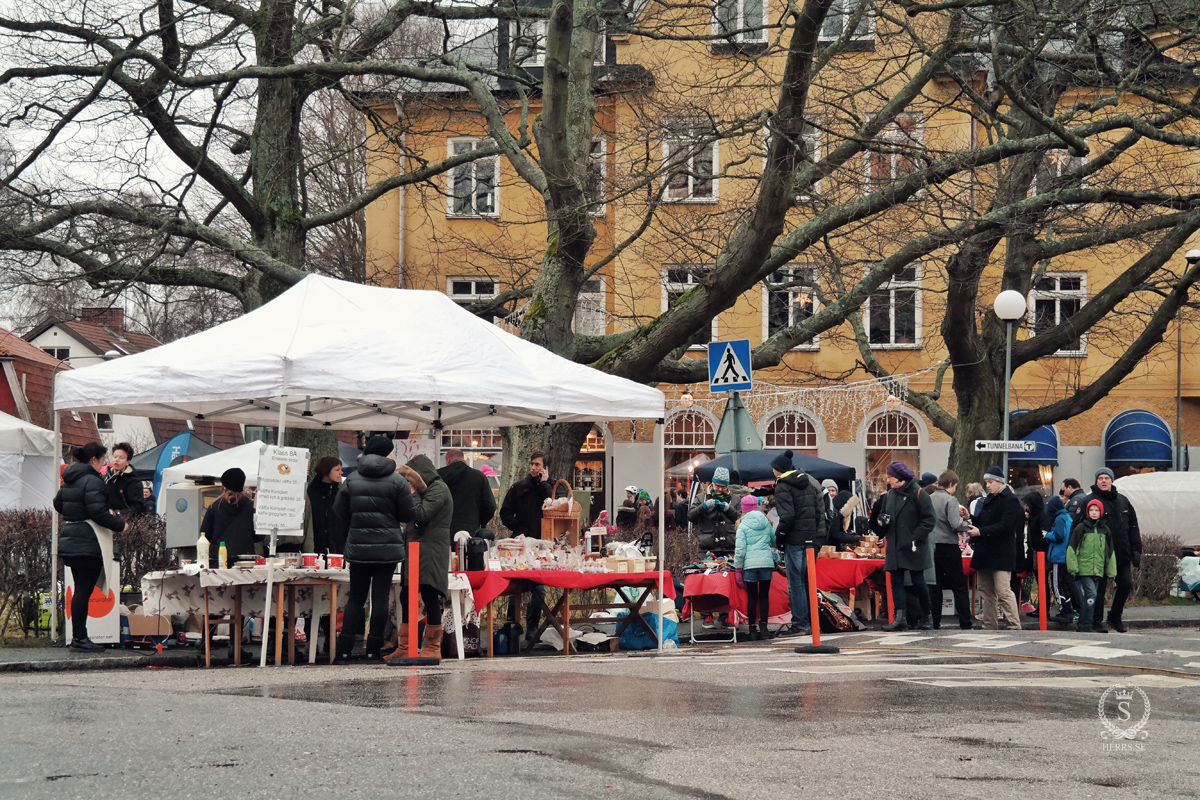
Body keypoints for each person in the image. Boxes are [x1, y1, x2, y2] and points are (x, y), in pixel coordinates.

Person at [331, 436, 417, 662]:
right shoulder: (398, 481)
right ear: (387, 454)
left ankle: (344, 650)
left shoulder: (351, 479)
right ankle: (373, 649)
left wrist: (356, 524)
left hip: (358, 547)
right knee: (380, 599)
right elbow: (408, 514)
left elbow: (339, 510)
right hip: (387, 548)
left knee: (356, 599)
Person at [54, 442, 127, 652]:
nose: (104, 464)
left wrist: (76, 511)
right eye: (103, 460)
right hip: (88, 540)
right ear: (94, 460)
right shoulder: (92, 481)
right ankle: (79, 639)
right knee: (83, 591)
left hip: (70, 537)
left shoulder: (69, 480)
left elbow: (58, 504)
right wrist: (121, 525)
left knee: (80, 589)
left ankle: (79, 637)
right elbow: (98, 513)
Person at [397, 454, 454, 659]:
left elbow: (421, 515)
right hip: (418, 551)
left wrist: (413, 494)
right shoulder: (430, 490)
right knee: (406, 595)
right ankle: (405, 647)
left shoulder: (439, 489)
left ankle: (433, 647)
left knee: (430, 595)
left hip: (429, 551)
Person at [870, 461, 935, 632]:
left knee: (918, 581)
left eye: (890, 476)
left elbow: (929, 520)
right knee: (895, 582)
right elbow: (884, 516)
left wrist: (915, 537)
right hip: (895, 544)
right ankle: (900, 618)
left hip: (914, 545)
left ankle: (927, 616)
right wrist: (882, 523)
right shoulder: (890, 495)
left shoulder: (919, 494)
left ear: (899, 478)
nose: (888, 479)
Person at [1075, 468, 1142, 633]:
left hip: (1121, 553)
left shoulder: (1123, 501)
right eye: (1100, 478)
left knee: (1126, 584)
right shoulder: (1088, 501)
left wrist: (1136, 549)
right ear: (1096, 481)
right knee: (1099, 590)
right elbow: (1076, 528)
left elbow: (1133, 526)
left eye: (1107, 478)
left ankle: (1114, 617)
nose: (1104, 481)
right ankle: (1096, 622)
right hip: (1098, 556)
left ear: (1112, 481)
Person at [499, 451, 554, 644]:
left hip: (542, 544)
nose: (533, 468)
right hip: (521, 543)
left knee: (539, 588)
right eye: (532, 464)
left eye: (538, 465)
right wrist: (518, 528)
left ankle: (532, 629)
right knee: (516, 586)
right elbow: (504, 512)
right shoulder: (519, 487)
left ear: (545, 468)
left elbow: (554, 508)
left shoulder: (553, 488)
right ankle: (511, 626)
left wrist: (545, 485)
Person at [771, 450, 827, 637]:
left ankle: (800, 624)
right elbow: (819, 513)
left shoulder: (783, 486)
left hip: (794, 540)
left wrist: (779, 538)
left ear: (778, 470)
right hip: (810, 539)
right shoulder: (809, 483)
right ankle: (813, 622)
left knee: (795, 584)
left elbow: (786, 517)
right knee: (807, 581)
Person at [968, 467, 1023, 630]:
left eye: (990, 482)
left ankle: (1014, 624)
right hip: (986, 552)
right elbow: (984, 521)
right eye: (986, 483)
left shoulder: (1011, 500)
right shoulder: (990, 498)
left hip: (1001, 553)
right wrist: (969, 518)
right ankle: (989, 623)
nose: (988, 486)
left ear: (1000, 482)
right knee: (985, 591)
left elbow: (1005, 526)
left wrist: (980, 531)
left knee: (1003, 590)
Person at [689, 467, 739, 628]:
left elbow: (740, 518)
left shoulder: (735, 499)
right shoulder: (701, 497)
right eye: (717, 486)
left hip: (728, 545)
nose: (719, 489)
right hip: (707, 545)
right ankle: (706, 615)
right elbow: (690, 516)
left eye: (723, 487)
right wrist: (704, 506)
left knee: (726, 583)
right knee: (706, 581)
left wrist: (728, 508)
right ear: (712, 483)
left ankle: (725, 615)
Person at [928, 470, 973, 630]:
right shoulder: (951, 500)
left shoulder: (929, 498)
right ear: (951, 484)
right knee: (959, 587)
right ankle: (965, 623)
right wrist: (967, 522)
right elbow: (955, 524)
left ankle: (934, 622)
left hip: (932, 546)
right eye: (955, 486)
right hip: (948, 546)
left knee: (935, 587)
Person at [1066, 499, 1116, 633]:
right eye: (1091, 510)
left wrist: (1111, 571)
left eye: (1097, 510)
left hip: (1098, 569)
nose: (1094, 513)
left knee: (1091, 597)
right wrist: (1073, 567)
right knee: (1091, 594)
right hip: (1084, 568)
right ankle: (1087, 623)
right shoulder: (1081, 527)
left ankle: (1082, 623)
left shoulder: (1105, 530)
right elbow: (1072, 548)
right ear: (1088, 512)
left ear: (1101, 512)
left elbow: (1109, 552)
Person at [733, 495, 775, 641]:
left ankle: (752, 629)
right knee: (764, 596)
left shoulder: (742, 525)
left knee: (752, 597)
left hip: (749, 566)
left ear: (743, 509)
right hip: (766, 563)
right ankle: (764, 628)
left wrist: (738, 569)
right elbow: (774, 541)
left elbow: (740, 550)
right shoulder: (766, 522)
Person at [199, 469, 258, 565]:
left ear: (224, 486)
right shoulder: (251, 507)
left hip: (218, 560)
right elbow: (259, 536)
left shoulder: (215, 506)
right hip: (244, 561)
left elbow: (205, 534)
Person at [438, 448, 497, 537]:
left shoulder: (439, 476)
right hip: (470, 529)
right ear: (463, 459)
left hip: (442, 530)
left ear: (448, 460)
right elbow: (490, 506)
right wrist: (479, 521)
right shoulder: (478, 477)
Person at [1043, 491, 1076, 623]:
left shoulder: (1059, 519)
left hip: (1058, 556)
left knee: (1056, 585)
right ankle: (1068, 609)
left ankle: (1063, 611)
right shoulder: (1067, 517)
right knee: (1064, 585)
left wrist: (1047, 535)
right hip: (1066, 556)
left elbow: (1058, 536)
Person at [306, 455, 343, 555]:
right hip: (315, 548)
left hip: (336, 550)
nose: (341, 473)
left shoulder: (340, 493)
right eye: (337, 469)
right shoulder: (310, 493)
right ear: (326, 471)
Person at [105, 442, 147, 517]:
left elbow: (138, 507)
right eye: (115, 457)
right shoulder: (105, 478)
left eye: (121, 458)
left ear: (128, 462)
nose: (117, 460)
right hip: (106, 518)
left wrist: (118, 513)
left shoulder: (133, 481)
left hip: (126, 522)